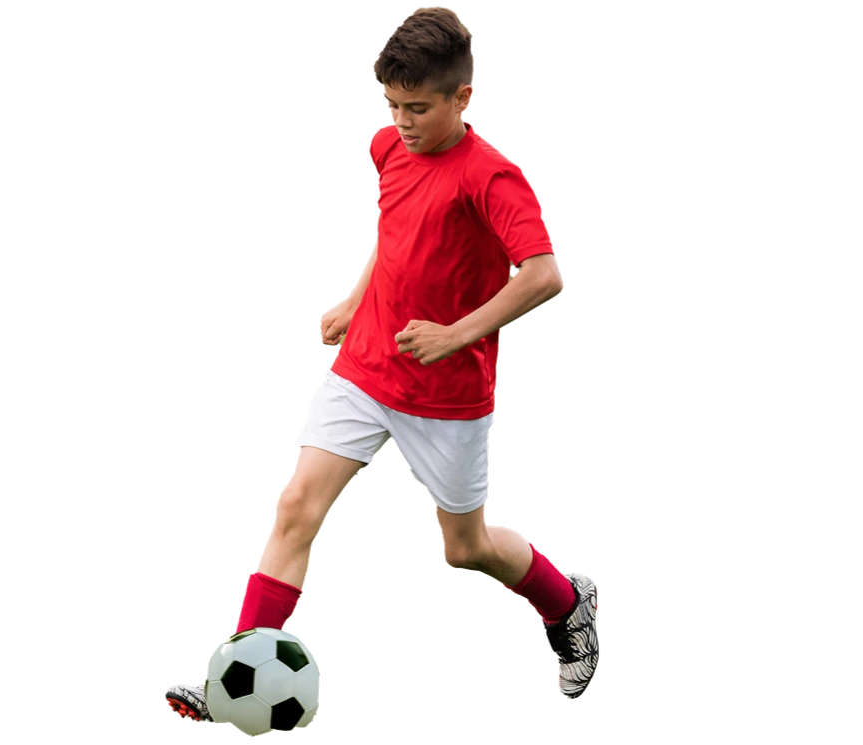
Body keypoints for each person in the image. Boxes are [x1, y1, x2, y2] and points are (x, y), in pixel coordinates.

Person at [164, 7, 598, 725]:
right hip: (366, 366)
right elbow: (396, 233)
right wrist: (355, 298)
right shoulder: (391, 145)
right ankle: (229, 683)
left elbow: (543, 275)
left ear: (462, 97)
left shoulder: (492, 178)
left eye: (418, 108)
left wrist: (457, 334)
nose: (402, 121)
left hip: (445, 393)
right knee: (295, 510)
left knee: (465, 547)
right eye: (392, 104)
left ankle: (568, 602)